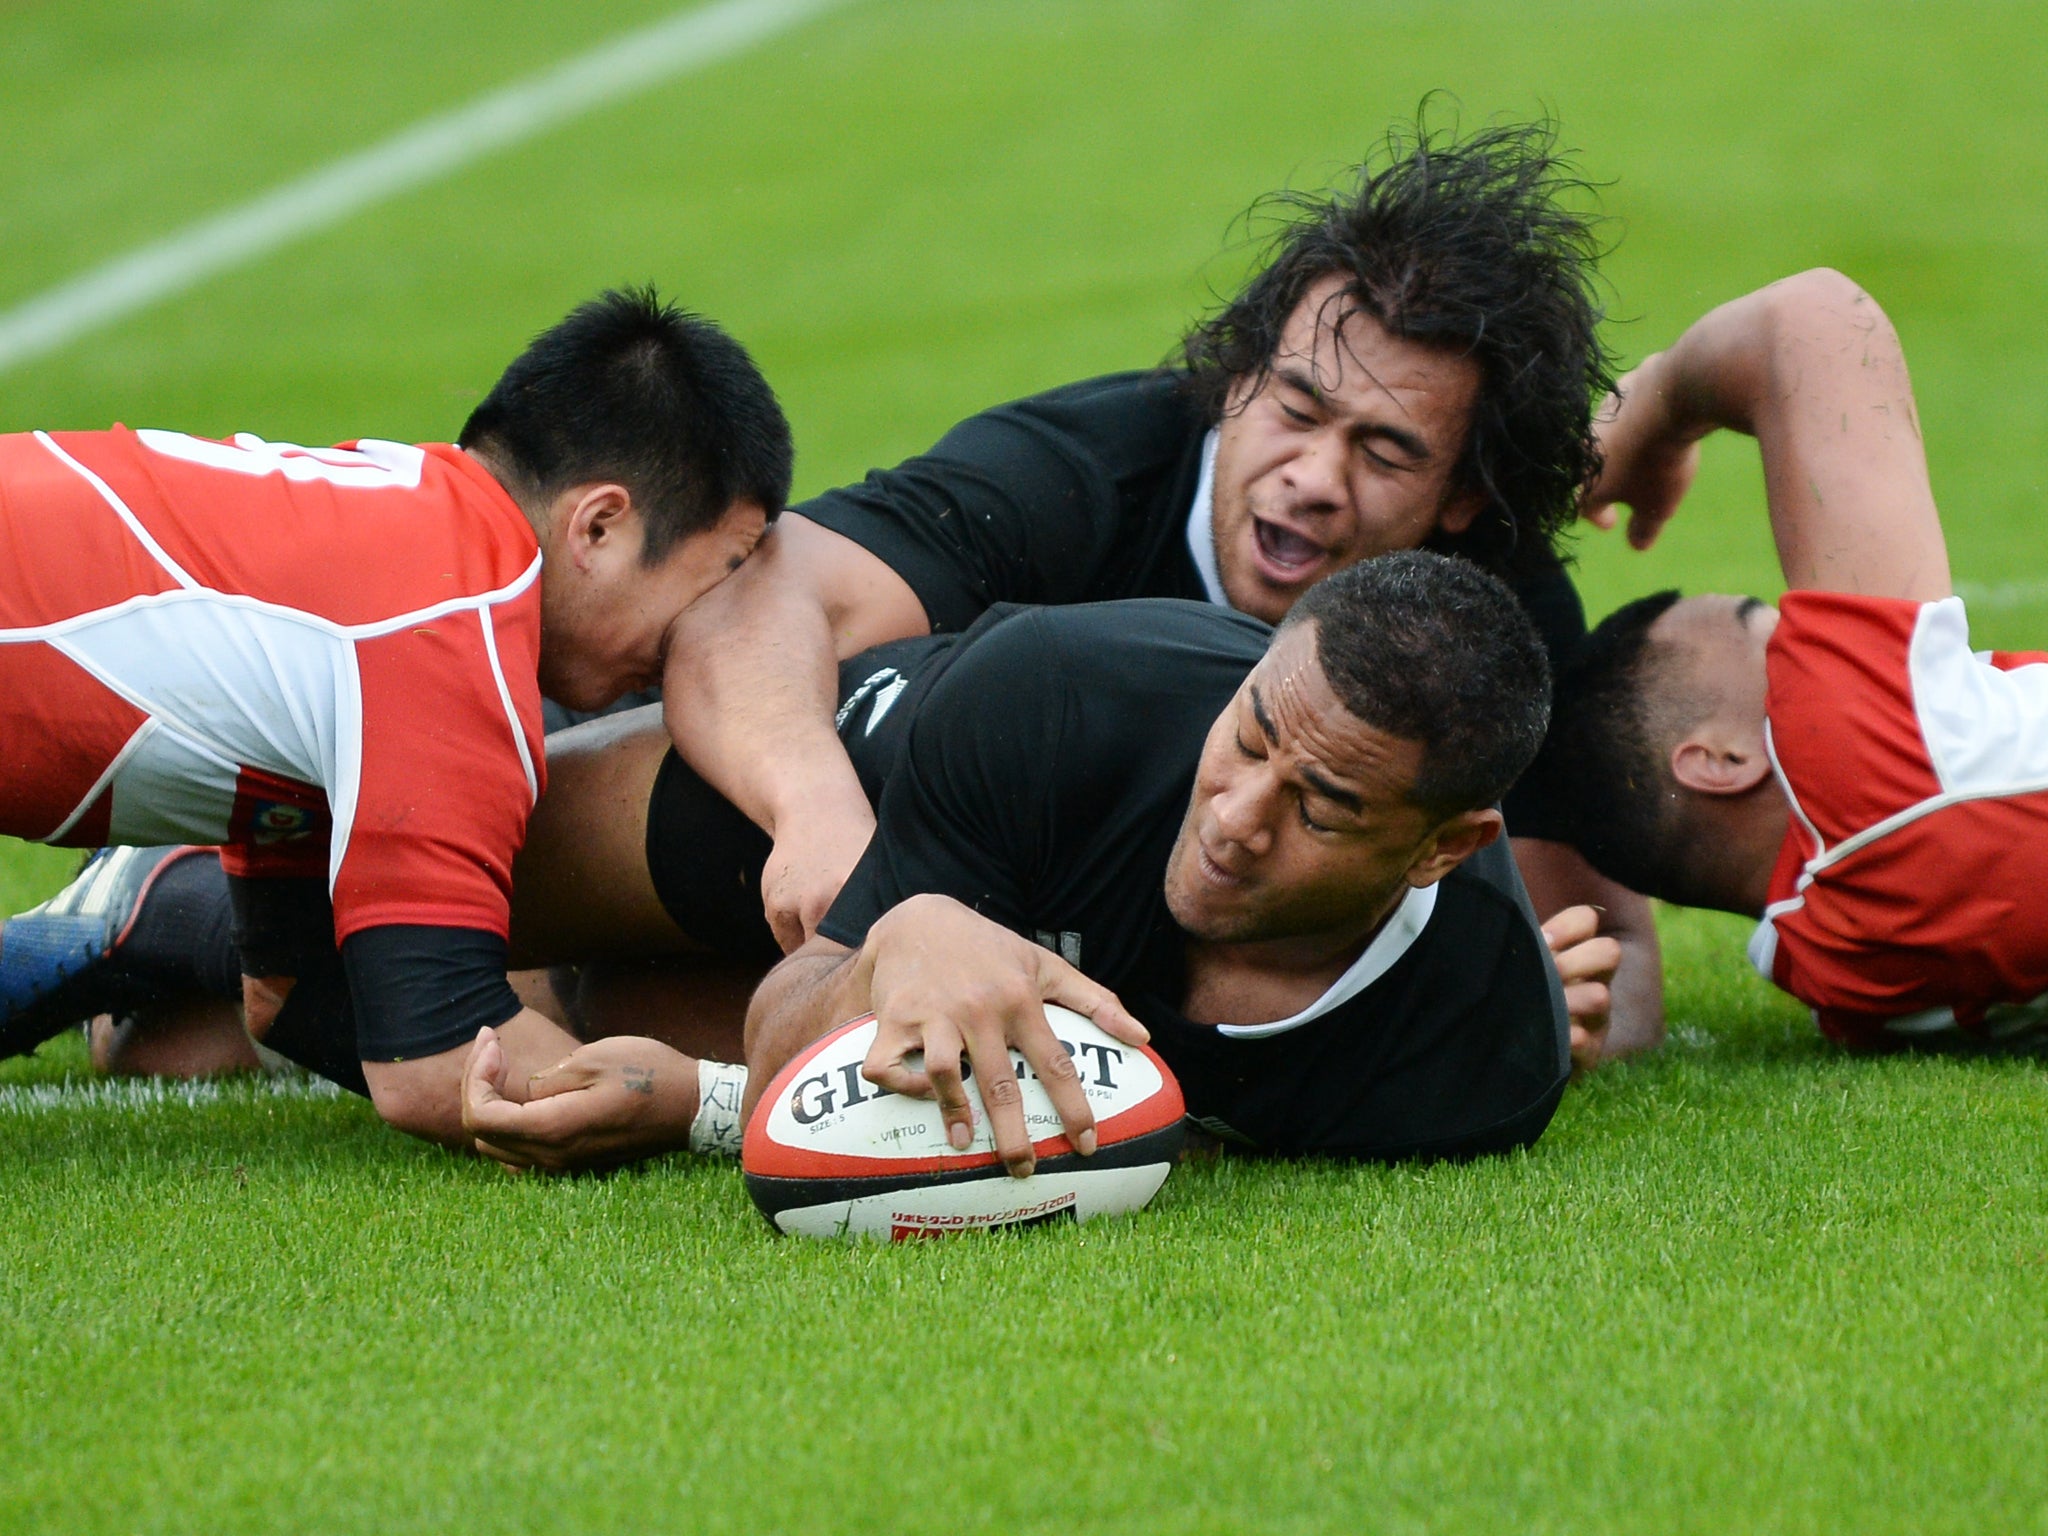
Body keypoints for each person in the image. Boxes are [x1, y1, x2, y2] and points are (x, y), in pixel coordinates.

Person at [553, 117, 1663, 1062]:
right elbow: (756, 598)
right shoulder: (1082, 471)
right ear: (1236, 374)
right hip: (729, 841)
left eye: (1384, 453)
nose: (1315, 478)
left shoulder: (1470, 627)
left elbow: (1597, 943)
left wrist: (1548, 1013)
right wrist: (815, 815)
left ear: (1462, 496)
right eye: (1296, 409)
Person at [471, 554, 1607, 1173]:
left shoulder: (1476, 1068)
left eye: (1321, 808)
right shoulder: (1055, 694)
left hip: (992, 903)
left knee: (593, 1015)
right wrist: (901, 939)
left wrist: (701, 1105)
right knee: (435, 901)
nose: (1236, 818)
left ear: (1443, 848)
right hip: (871, 773)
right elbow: (784, 1045)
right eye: (1250, 736)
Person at [0, 289, 793, 1144]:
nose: (706, 631)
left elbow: (286, 990)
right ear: (598, 526)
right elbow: (434, 1068)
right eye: (722, 577)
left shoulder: (413, 529)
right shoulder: (456, 630)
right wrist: (730, 1109)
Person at [1541, 267, 2048, 1048]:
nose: (1803, 629)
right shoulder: (1864, 788)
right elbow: (1815, 320)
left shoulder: (1848, 991)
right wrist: (1655, 409)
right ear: (1721, 760)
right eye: (1771, 635)